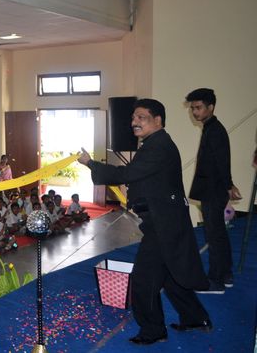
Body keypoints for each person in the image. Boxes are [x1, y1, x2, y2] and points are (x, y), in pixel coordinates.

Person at [78, 98, 211, 345]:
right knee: (171, 277)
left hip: (163, 225)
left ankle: (153, 330)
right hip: (164, 222)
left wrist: (90, 164)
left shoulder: (159, 146)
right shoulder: (155, 144)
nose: (134, 122)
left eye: (141, 117)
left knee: (144, 279)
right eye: (133, 118)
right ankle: (195, 317)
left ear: (157, 120)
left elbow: (126, 174)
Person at [186, 88, 242, 293]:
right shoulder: (210, 128)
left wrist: (228, 185)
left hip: (213, 190)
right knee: (218, 234)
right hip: (211, 188)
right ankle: (225, 274)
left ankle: (216, 281)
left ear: (211, 107)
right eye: (192, 108)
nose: (194, 112)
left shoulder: (215, 130)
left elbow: (221, 162)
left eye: (198, 107)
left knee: (214, 235)